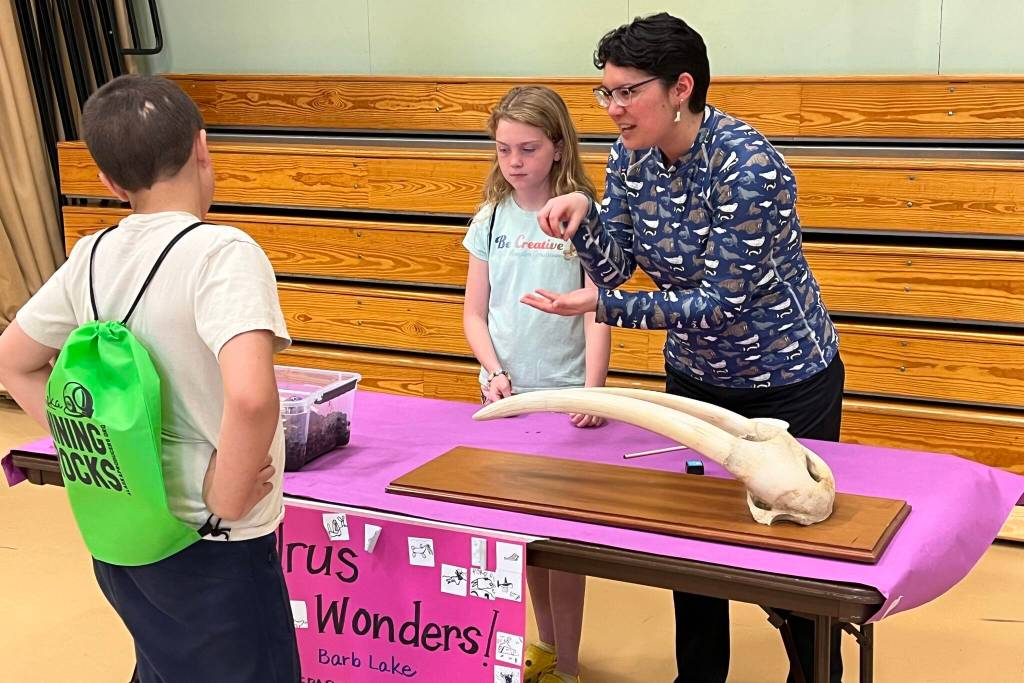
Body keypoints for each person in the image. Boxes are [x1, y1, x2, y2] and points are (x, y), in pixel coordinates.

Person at [524, 13, 847, 683]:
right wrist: (583, 223)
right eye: (604, 93)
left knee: (793, 565)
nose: (611, 109)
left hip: (786, 379)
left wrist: (602, 307)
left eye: (625, 92)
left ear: (680, 88)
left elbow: (717, 302)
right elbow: (615, 268)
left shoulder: (748, 164)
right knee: (691, 554)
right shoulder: (630, 155)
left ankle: (815, 673)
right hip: (698, 377)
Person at [0, 75, 300, 682]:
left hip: (124, 532)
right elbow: (249, 394)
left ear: (110, 181)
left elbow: (13, 360)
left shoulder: (91, 254)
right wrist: (228, 496)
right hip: (211, 543)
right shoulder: (222, 253)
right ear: (202, 147)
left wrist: (97, 447)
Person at [462, 85, 611, 683]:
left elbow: (602, 308)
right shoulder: (490, 220)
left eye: (528, 148)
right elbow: (475, 313)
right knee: (523, 540)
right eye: (503, 150)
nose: (515, 162)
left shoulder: (579, 217)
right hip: (507, 400)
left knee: (564, 547)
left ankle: (567, 666)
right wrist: (494, 373)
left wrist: (593, 391)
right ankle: (544, 649)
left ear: (557, 148)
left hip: (567, 400)